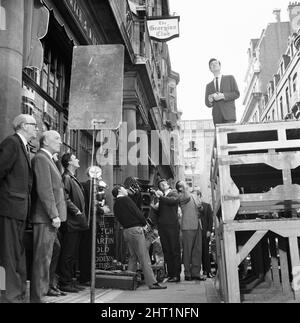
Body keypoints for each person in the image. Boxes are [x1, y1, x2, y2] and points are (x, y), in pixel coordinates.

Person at [0, 114, 38, 303]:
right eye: (34, 125)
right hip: (9, 208)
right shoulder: (12, 143)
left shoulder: (22, 146)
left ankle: (16, 294)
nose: (37, 129)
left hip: (19, 210)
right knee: (8, 255)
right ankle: (8, 296)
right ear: (23, 126)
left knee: (16, 254)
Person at [30, 131, 67, 303]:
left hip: (50, 218)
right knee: (42, 259)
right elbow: (45, 189)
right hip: (45, 218)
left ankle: (42, 293)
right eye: (56, 138)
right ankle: (37, 297)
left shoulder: (50, 160)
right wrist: (53, 214)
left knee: (49, 256)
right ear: (45, 141)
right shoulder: (41, 159)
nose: (60, 141)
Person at [112, 185, 167, 290]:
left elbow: (118, 218)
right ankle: (152, 283)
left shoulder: (116, 204)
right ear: (119, 190)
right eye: (124, 188)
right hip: (136, 230)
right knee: (144, 256)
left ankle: (128, 282)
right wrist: (144, 223)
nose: (126, 189)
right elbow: (137, 212)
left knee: (133, 257)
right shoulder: (126, 199)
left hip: (126, 231)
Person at [58, 153, 89, 293]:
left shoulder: (72, 177)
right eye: (75, 158)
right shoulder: (66, 177)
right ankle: (65, 282)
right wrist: (76, 211)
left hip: (77, 222)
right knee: (68, 253)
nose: (77, 159)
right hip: (71, 222)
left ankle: (70, 281)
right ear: (70, 162)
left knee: (72, 253)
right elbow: (64, 197)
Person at [152, 179, 181, 283]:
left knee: (174, 250)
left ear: (168, 185)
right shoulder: (161, 197)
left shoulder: (173, 193)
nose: (162, 185)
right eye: (160, 184)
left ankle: (176, 275)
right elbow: (157, 211)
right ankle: (170, 273)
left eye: (164, 183)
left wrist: (161, 197)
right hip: (162, 227)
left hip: (172, 226)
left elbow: (173, 201)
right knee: (166, 251)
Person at [176, 181, 205, 281]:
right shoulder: (181, 195)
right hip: (187, 226)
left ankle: (196, 273)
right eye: (183, 184)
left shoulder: (193, 195)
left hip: (197, 225)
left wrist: (200, 207)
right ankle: (187, 273)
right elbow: (187, 197)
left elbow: (199, 209)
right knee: (188, 251)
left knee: (197, 250)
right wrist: (184, 187)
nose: (186, 184)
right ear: (180, 188)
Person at [205, 58, 240, 126]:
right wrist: (210, 100)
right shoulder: (208, 86)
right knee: (219, 136)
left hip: (229, 115)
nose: (214, 65)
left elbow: (237, 93)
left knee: (230, 136)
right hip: (217, 118)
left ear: (220, 66)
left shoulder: (230, 78)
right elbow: (207, 103)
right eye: (211, 64)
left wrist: (223, 96)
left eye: (216, 63)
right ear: (210, 69)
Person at [194, 190, 214, 278]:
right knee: (198, 253)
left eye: (196, 195)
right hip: (196, 232)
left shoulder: (207, 205)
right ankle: (200, 271)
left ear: (199, 195)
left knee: (206, 252)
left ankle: (207, 271)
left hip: (205, 232)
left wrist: (209, 230)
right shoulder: (192, 206)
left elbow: (210, 219)